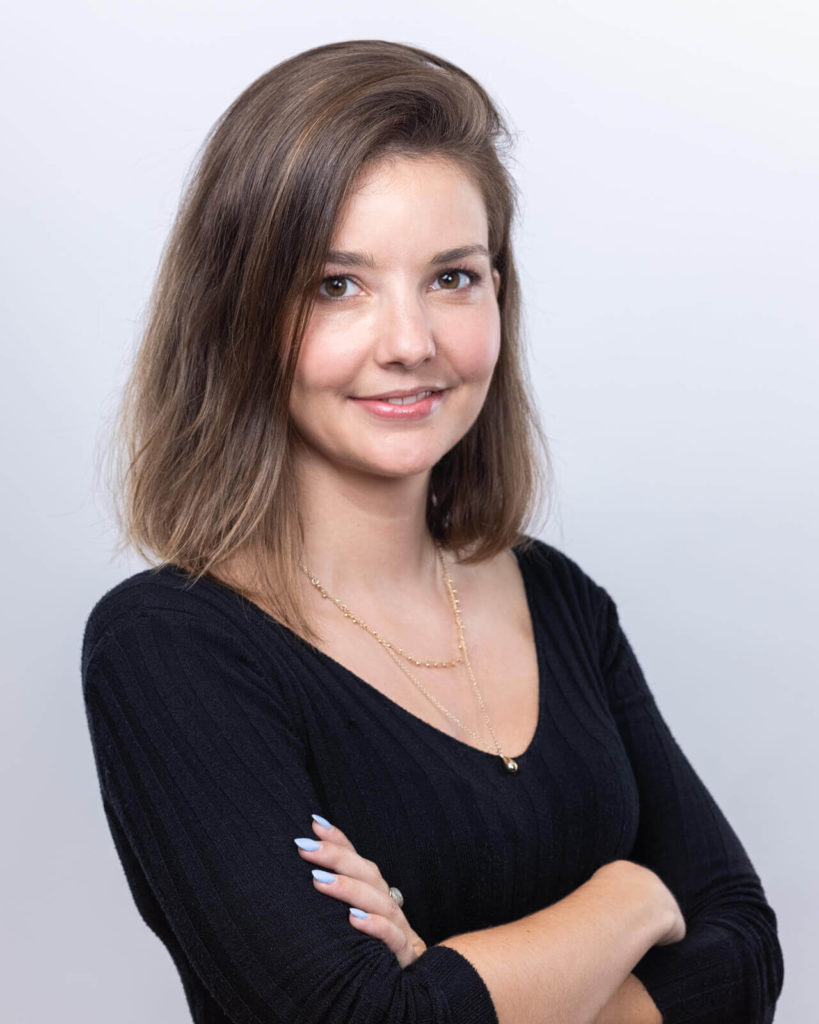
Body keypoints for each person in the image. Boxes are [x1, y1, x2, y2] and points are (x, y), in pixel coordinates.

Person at [81, 39, 783, 1024]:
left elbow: (746, 955)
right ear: (236, 315)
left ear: (501, 292)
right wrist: (632, 899)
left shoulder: (560, 600)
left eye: (453, 277)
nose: (411, 342)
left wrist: (445, 977)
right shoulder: (169, 648)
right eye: (338, 284)